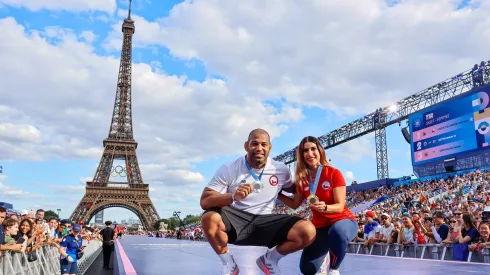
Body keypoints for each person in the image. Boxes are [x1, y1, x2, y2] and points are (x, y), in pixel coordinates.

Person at [200, 129, 316, 275]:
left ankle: (270, 260)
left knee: (307, 230)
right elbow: (204, 201)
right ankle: (228, 263)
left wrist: (315, 174)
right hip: (237, 220)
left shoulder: (280, 169)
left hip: (267, 222)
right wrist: (232, 196)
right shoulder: (229, 168)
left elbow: (297, 189)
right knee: (209, 218)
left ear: (270, 147)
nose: (259, 148)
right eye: (254, 144)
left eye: (263, 144)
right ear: (246, 146)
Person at [278, 136, 357, 275]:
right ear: (301, 155)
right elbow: (294, 204)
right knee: (307, 269)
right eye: (305, 151)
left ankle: (334, 269)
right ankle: (324, 258)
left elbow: (339, 206)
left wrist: (326, 207)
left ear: (320, 151)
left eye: (313, 149)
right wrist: (278, 193)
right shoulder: (303, 179)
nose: (310, 154)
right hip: (320, 227)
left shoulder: (333, 173)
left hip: (342, 221)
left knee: (337, 232)